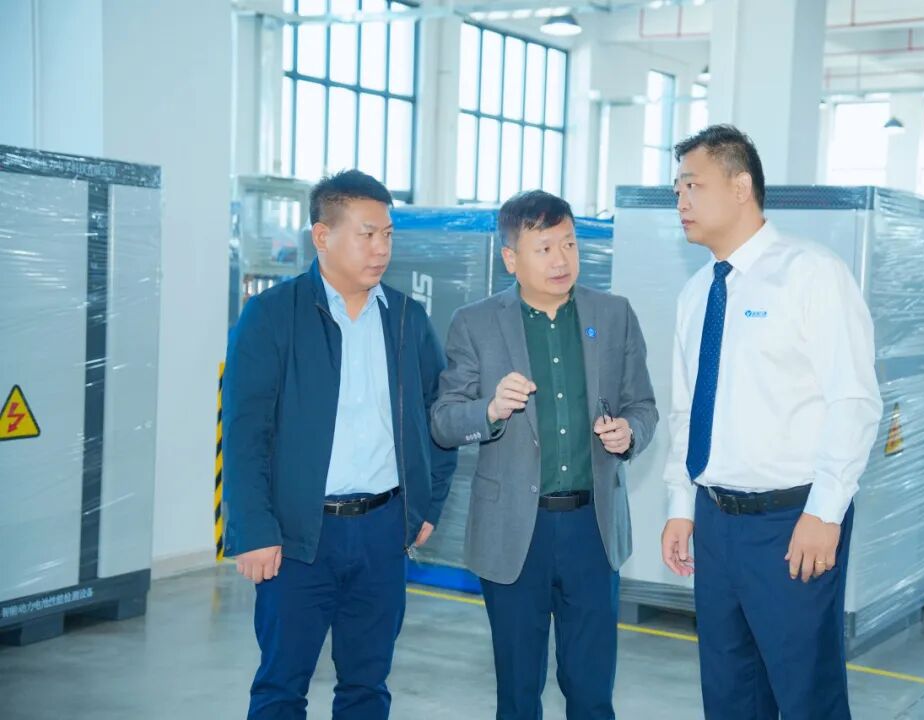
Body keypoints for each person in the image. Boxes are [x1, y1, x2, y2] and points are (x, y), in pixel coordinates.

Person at [659, 125, 883, 720]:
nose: (680, 201)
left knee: (806, 693)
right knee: (729, 693)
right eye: (677, 189)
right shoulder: (696, 294)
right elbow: (687, 409)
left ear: (740, 187)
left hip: (791, 523)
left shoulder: (810, 273)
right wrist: (681, 505)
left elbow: (854, 400)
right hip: (715, 520)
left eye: (692, 185)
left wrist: (825, 511)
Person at [222, 169, 457, 719]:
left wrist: (427, 504)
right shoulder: (272, 316)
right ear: (323, 236)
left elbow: (437, 416)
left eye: (388, 235)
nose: (381, 249)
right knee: (281, 685)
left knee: (367, 685)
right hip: (298, 536)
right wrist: (254, 530)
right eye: (367, 234)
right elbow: (246, 433)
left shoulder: (406, 318)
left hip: (382, 531)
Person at [431, 190, 658, 720]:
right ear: (511, 258)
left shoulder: (614, 314)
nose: (562, 260)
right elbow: (443, 421)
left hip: (592, 528)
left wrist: (629, 433)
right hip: (513, 530)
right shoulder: (475, 322)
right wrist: (490, 410)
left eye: (569, 244)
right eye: (545, 248)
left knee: (592, 690)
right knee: (517, 692)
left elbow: (643, 406)